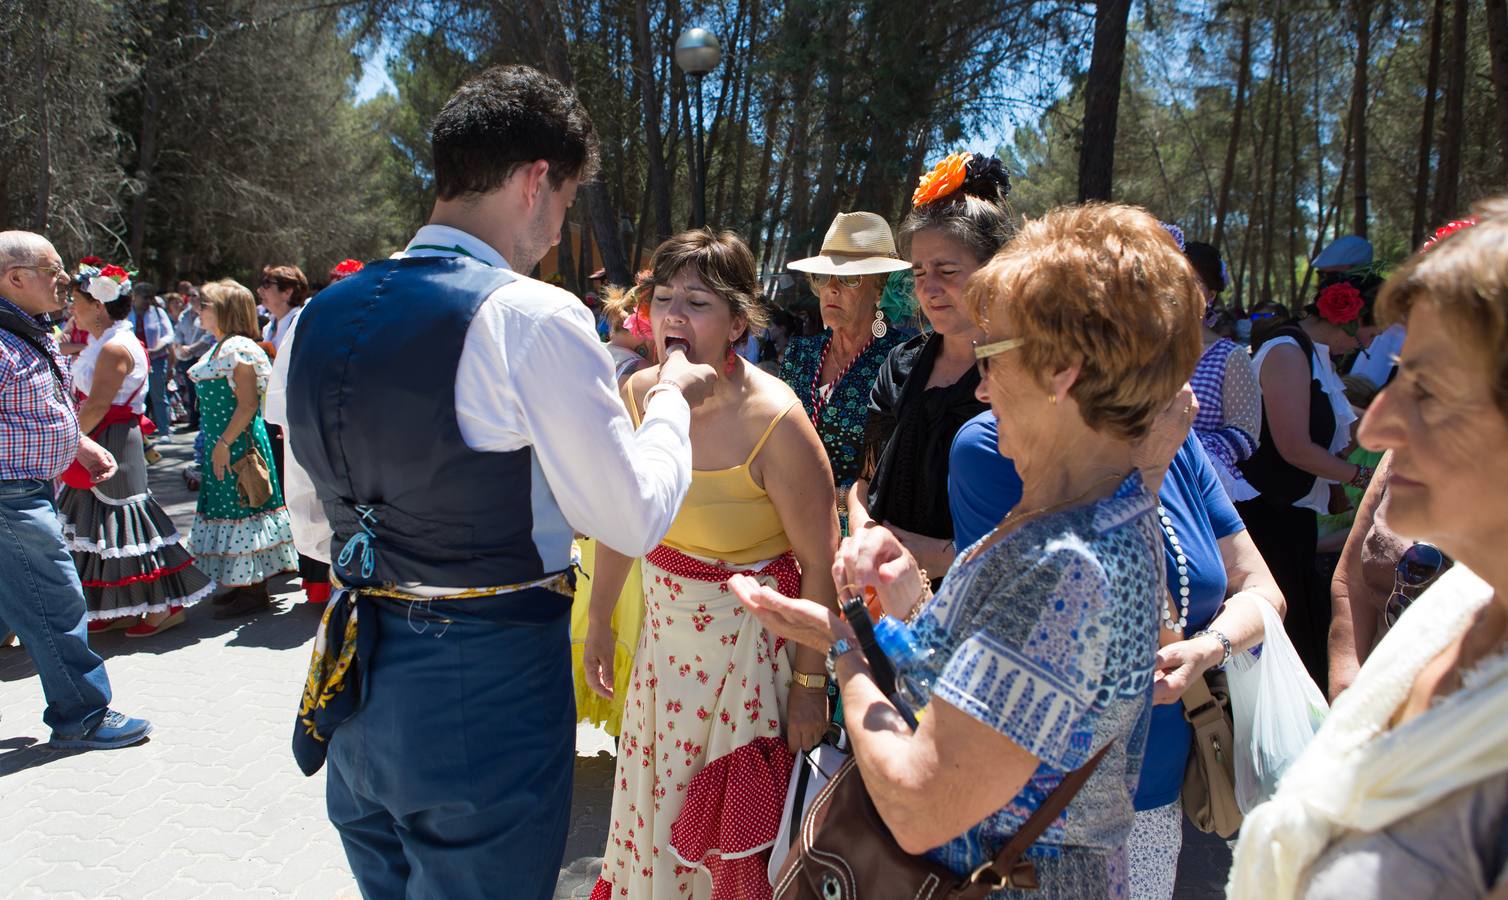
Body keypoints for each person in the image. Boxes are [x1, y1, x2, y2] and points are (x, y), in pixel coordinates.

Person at [283, 65, 716, 899]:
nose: (557, 233)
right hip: (483, 694)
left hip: (354, 681)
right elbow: (627, 519)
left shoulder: (314, 319)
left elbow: (311, 523)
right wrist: (669, 406)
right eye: (565, 202)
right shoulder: (531, 316)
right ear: (533, 181)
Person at [733, 203, 1204, 897]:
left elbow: (921, 802)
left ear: (1062, 372)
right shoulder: (1105, 511)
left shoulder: (1065, 562)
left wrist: (843, 648)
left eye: (992, 357)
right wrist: (903, 602)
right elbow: (986, 692)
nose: (981, 387)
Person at [1228, 201, 1508, 900]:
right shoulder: (1461, 621)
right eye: (1398, 376)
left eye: (1431, 389)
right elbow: (1354, 577)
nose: (1377, 426)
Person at [584, 230, 839, 898]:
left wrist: (808, 687)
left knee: (728, 843)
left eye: (696, 301)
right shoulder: (639, 394)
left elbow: (821, 562)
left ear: (737, 321)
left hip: (747, 669)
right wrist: (602, 623)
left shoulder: (775, 419)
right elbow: (622, 523)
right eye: (663, 297)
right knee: (656, 819)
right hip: (664, 659)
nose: (673, 315)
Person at [952, 418, 1284, 898]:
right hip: (1050, 806)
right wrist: (1145, 477)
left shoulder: (1175, 436)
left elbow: (1262, 588)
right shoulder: (995, 444)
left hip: (1159, 790)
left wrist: (1208, 648)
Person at [0, 230, 152, 749]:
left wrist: (76, 445)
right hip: (11, 497)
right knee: (55, 603)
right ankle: (81, 715)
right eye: (54, 272)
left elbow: (39, 405)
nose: (67, 283)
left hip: (24, 491)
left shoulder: (24, 328)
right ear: (15, 278)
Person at [846, 152, 1009, 583]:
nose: (929, 288)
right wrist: (865, 536)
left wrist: (936, 557)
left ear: (995, 271)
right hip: (884, 594)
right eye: (919, 272)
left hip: (972, 604)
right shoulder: (899, 365)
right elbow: (864, 482)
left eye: (947, 270)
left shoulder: (1025, 378)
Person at [1237, 280, 1377, 693]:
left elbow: (1344, 425)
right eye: (1373, 330)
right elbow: (1295, 447)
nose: (1374, 342)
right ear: (1350, 319)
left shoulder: (1316, 357)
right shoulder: (1286, 351)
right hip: (1269, 516)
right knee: (1291, 639)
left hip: (1294, 516)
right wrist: (1363, 479)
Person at [58, 261, 212, 637]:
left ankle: (167, 605)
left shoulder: (114, 347)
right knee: (97, 524)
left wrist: (66, 440)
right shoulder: (107, 342)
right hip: (105, 434)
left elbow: (97, 404)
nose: (70, 308)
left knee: (127, 521)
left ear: (98, 306)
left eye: (76, 301)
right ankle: (125, 604)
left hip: (110, 436)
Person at [780, 212, 912, 534]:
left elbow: (889, 472)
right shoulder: (801, 354)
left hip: (856, 531)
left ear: (879, 286)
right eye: (822, 278)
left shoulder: (901, 361)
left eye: (850, 278)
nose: (832, 289)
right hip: (784, 524)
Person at [187, 279, 298, 618]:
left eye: (204, 304)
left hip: (237, 443)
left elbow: (248, 404)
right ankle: (242, 584)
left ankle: (254, 590)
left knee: (244, 504)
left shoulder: (240, 348)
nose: (198, 310)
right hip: (224, 441)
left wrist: (223, 444)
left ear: (223, 309)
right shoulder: (222, 346)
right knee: (230, 507)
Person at [255, 264, 330, 605]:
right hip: (279, 416)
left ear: (288, 290)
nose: (261, 291)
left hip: (295, 417)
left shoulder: (307, 317)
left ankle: (324, 578)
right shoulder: (272, 323)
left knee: (309, 492)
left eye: (268, 284)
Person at [1183, 240, 1261, 501]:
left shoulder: (1229, 356)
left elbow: (1245, 432)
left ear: (1211, 295)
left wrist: (1182, 453)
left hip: (1198, 488)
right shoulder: (1141, 350)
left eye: (1192, 282)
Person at [127, 284, 174, 438]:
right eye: (144, 297)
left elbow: (168, 335)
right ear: (135, 296)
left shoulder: (158, 313)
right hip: (134, 361)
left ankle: (164, 430)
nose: (148, 300)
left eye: (150, 297)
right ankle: (141, 432)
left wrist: (155, 349)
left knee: (158, 395)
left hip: (156, 360)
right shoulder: (127, 313)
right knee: (138, 396)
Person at [172, 284, 212, 431]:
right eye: (190, 296)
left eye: (195, 295)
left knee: (203, 390)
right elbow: (178, 332)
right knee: (191, 390)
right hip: (187, 357)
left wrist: (192, 348)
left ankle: (203, 420)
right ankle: (194, 420)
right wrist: (180, 347)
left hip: (201, 357)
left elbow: (209, 336)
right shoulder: (185, 315)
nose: (192, 298)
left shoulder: (206, 313)